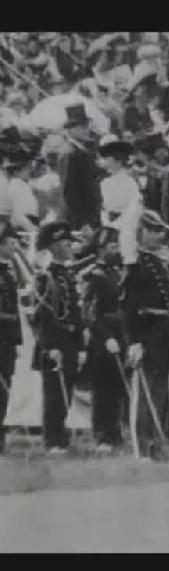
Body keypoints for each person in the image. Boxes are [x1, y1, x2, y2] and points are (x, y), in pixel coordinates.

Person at [122, 210, 169, 453]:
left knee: (159, 392)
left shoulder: (159, 262)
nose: (160, 236)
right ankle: (142, 446)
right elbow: (128, 307)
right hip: (147, 333)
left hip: (164, 333)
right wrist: (134, 341)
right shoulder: (135, 264)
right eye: (155, 231)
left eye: (161, 231)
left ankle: (155, 442)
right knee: (144, 391)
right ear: (141, 232)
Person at [31, 221, 87, 454]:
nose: (70, 248)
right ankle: (52, 439)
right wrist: (50, 347)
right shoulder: (45, 276)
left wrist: (80, 345)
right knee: (54, 393)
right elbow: (42, 317)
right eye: (65, 244)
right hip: (54, 342)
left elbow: (76, 313)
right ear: (53, 246)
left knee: (68, 389)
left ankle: (61, 437)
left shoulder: (68, 274)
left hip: (71, 340)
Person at [82, 226, 126, 452]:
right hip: (103, 339)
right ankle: (101, 435)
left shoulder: (116, 272)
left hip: (120, 335)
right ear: (100, 249)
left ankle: (114, 432)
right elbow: (90, 313)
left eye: (117, 245)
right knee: (102, 389)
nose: (116, 250)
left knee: (117, 387)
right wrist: (106, 336)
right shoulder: (94, 275)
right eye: (111, 246)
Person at [57, 103, 101, 230]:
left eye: (87, 126)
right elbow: (69, 192)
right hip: (78, 221)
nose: (87, 130)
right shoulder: (69, 153)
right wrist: (82, 222)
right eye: (82, 127)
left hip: (89, 217)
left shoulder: (81, 151)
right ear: (71, 129)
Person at [0, 221, 22, 452]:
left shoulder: (9, 271)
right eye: (13, 243)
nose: (16, 248)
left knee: (5, 388)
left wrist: (16, 339)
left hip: (7, 339)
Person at [3, 148, 39, 232]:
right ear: (16, 171)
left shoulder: (22, 185)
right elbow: (18, 215)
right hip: (23, 228)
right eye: (27, 168)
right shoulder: (17, 186)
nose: (31, 170)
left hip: (27, 224)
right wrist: (33, 230)